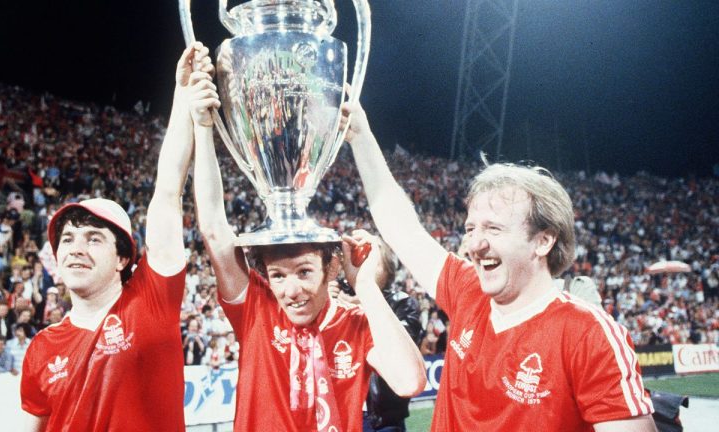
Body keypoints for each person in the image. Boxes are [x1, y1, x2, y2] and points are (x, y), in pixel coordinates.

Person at [341, 100, 656, 431]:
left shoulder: (589, 334)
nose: (475, 245)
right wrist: (361, 137)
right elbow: (400, 228)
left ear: (543, 241)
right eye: (471, 229)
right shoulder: (467, 290)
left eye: (494, 229)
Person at [191, 74, 426, 431]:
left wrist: (364, 286)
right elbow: (213, 229)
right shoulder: (256, 310)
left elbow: (409, 382)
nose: (291, 290)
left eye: (304, 272)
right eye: (277, 276)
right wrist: (203, 128)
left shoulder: (355, 321)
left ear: (331, 269)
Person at [19, 42, 218, 432]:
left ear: (123, 258)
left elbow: (168, 191)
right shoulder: (41, 348)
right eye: (68, 239)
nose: (76, 248)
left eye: (94, 239)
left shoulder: (151, 300)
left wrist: (181, 94)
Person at [329, 237, 423, 432]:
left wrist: (361, 301)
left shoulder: (403, 302)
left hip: (384, 419)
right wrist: (326, 303)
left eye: (372, 260)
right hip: (343, 413)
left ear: (388, 269)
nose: (365, 266)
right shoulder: (335, 298)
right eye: (360, 258)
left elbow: (400, 358)